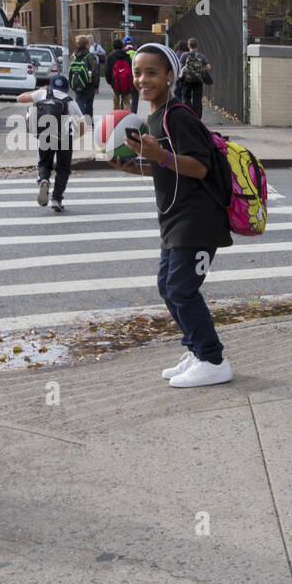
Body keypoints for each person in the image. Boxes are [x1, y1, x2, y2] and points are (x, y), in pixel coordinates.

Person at [107, 42, 233, 388]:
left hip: (200, 221)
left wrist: (160, 156)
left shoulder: (178, 115)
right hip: (176, 220)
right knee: (168, 287)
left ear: (170, 76)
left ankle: (213, 359)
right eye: (137, 72)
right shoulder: (154, 117)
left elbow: (201, 168)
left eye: (151, 72)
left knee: (181, 290)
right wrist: (131, 168)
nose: (142, 79)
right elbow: (167, 170)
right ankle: (195, 350)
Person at [17, 74, 87, 213]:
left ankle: (44, 180)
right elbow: (83, 123)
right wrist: (75, 137)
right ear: (66, 89)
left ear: (50, 85)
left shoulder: (42, 93)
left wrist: (39, 90)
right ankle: (56, 199)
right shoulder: (69, 100)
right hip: (65, 137)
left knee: (44, 163)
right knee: (63, 168)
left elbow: (19, 98)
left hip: (44, 135)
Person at [177, 36, 211, 119]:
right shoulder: (201, 56)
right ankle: (197, 117)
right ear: (197, 46)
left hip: (187, 80)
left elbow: (180, 66)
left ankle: (188, 116)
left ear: (188, 46)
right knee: (197, 99)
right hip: (198, 80)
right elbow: (209, 67)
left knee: (186, 97)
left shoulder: (185, 55)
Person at [67, 35, 97, 121]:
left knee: (79, 103)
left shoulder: (73, 55)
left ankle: (79, 124)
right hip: (89, 85)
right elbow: (95, 72)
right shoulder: (90, 56)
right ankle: (88, 125)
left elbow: (71, 70)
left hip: (77, 83)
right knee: (89, 106)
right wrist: (96, 86)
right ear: (87, 45)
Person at [105, 38, 133, 111]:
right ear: (122, 46)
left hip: (115, 83)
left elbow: (107, 71)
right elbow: (130, 69)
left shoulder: (110, 56)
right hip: (126, 83)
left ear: (113, 47)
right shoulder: (127, 56)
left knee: (116, 102)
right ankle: (127, 119)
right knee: (126, 102)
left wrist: (110, 82)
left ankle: (117, 119)